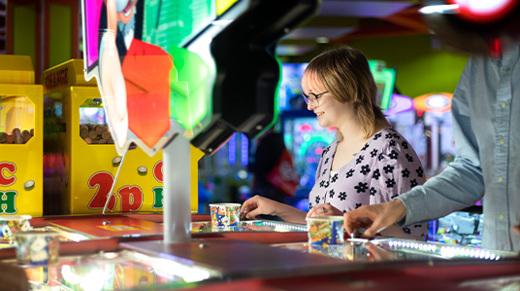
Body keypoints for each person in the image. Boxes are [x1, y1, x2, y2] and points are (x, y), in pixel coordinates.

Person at [343, 19, 520, 251]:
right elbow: (472, 169)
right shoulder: (479, 65)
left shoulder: (389, 144)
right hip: (497, 255)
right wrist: (396, 208)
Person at [241, 46, 428, 239]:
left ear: (348, 90)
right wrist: (278, 210)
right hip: (331, 264)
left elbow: (414, 238)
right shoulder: (330, 151)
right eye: (307, 97)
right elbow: (322, 226)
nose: (309, 105)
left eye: (316, 96)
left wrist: (348, 220)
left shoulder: (389, 149)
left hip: (370, 268)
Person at [248, 129, 298, 204]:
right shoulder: (279, 140)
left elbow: (261, 165)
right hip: (279, 188)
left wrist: (250, 167)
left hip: (267, 189)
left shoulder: (267, 142)